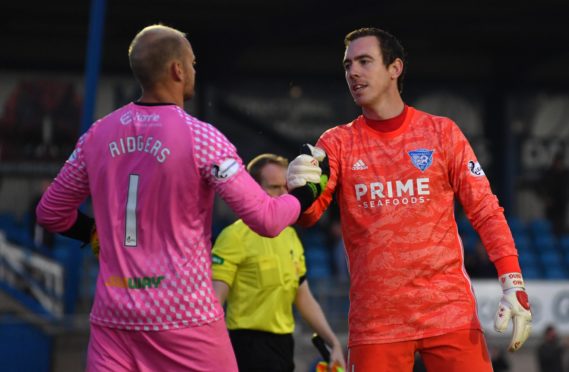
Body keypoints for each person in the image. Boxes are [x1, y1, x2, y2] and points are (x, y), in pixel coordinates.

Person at [35, 24, 322, 372]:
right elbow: (267, 219)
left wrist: (92, 233)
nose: (195, 71)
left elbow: (51, 212)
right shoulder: (200, 138)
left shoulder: (97, 134)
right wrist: (305, 194)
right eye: (194, 63)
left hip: (114, 319)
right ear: (178, 69)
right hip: (185, 320)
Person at [287, 27, 532, 372]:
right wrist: (298, 191)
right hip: (376, 323)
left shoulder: (442, 132)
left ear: (395, 68)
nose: (353, 72)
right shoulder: (336, 142)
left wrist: (513, 281)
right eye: (347, 65)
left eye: (364, 61)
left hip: (449, 313)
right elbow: (309, 217)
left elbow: (486, 210)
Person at [211, 153, 345, 372]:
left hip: (284, 345)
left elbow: (304, 297)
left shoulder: (290, 235)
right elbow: (215, 301)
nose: (284, 194)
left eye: (287, 187)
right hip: (245, 347)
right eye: (275, 187)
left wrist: (333, 342)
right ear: (253, 190)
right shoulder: (233, 236)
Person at [539, 151, 569, 236]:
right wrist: (546, 198)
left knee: (561, 227)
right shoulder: (549, 173)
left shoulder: (566, 173)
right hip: (551, 206)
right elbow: (540, 187)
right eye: (557, 162)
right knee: (549, 228)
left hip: (562, 205)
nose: (559, 164)